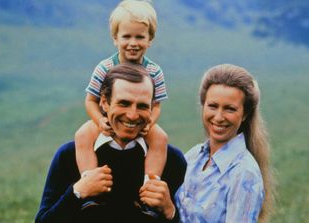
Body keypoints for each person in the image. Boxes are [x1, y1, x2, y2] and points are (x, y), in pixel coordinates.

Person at [35, 63, 187, 223]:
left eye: (142, 106)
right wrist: (77, 192)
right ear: (104, 103)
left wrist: (170, 211)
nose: (132, 115)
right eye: (124, 103)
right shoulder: (68, 156)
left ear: (152, 109)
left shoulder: (172, 160)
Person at [75, 0, 168, 192]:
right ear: (115, 38)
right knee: (83, 134)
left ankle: (150, 184)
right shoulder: (105, 68)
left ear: (150, 39)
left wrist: (150, 122)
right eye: (126, 36)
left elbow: (156, 105)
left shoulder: (154, 71)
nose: (133, 43)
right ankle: (90, 180)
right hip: (107, 120)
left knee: (160, 138)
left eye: (140, 37)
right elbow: (91, 100)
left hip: (141, 123)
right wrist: (99, 120)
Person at [175, 64, 275, 223]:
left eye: (230, 109)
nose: (219, 117)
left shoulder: (244, 173)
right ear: (203, 106)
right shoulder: (193, 156)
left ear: (245, 115)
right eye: (213, 106)